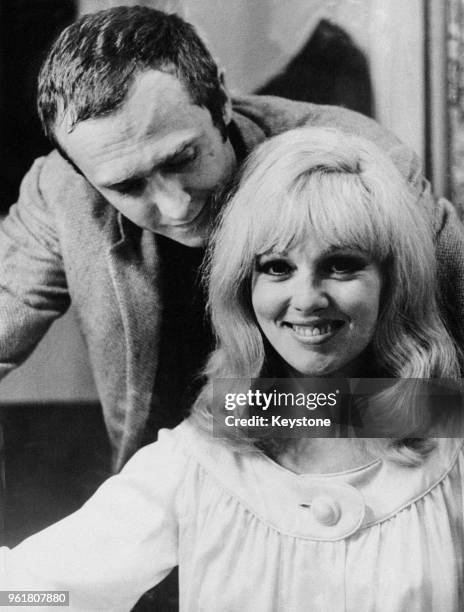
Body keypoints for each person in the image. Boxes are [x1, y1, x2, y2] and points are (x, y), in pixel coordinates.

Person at [2, 127, 463, 611]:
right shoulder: (199, 457)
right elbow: (34, 592)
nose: (306, 299)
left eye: (342, 265)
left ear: (394, 282)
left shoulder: (448, 436)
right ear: (243, 285)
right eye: (277, 268)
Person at [1, 6, 464, 471]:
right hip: (175, 484)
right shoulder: (61, 190)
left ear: (220, 98)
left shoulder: (357, 162)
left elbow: (451, 403)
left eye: (183, 157)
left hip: (362, 473)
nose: (176, 207)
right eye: (128, 187)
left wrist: (235, 416)